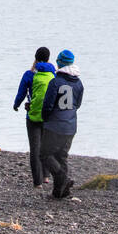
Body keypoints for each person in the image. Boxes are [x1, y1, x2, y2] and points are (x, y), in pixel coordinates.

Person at [38, 49, 84, 200]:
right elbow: (78, 104)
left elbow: (48, 105)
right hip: (71, 125)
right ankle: (60, 192)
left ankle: (62, 178)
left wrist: (46, 119)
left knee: (44, 154)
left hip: (55, 125)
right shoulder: (78, 83)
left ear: (60, 63)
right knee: (61, 156)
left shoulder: (56, 81)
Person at [13, 46, 57, 188]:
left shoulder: (29, 74)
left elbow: (21, 92)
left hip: (32, 115)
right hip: (49, 116)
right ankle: (46, 176)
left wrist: (16, 104)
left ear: (35, 58)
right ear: (49, 58)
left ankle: (37, 182)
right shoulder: (54, 75)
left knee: (35, 149)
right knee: (47, 147)